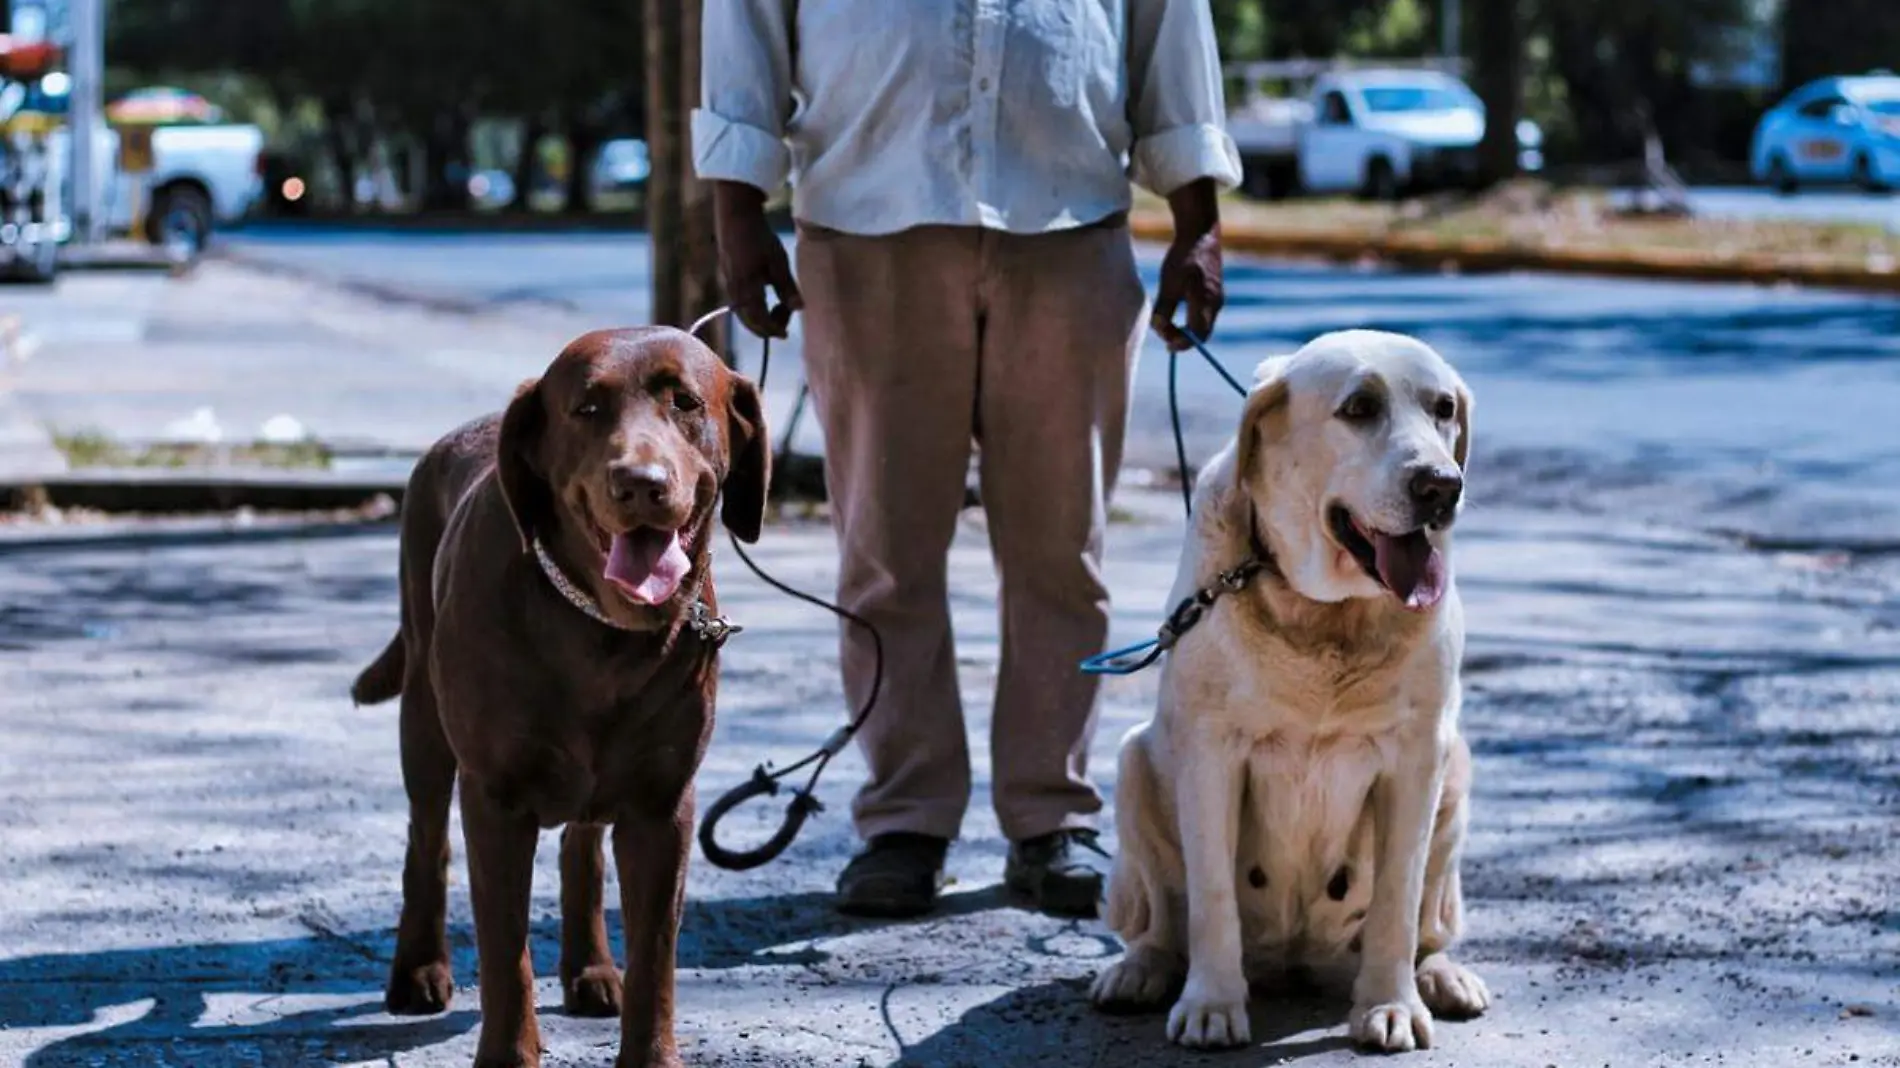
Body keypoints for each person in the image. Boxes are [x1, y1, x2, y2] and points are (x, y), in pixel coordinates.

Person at [695, 0, 1239, 920]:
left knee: (1062, 550)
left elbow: (1169, 28)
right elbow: (743, 25)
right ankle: (904, 822)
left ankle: (1052, 818)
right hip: (870, 222)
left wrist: (1199, 220)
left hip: (1070, 222)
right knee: (886, 553)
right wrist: (738, 214)